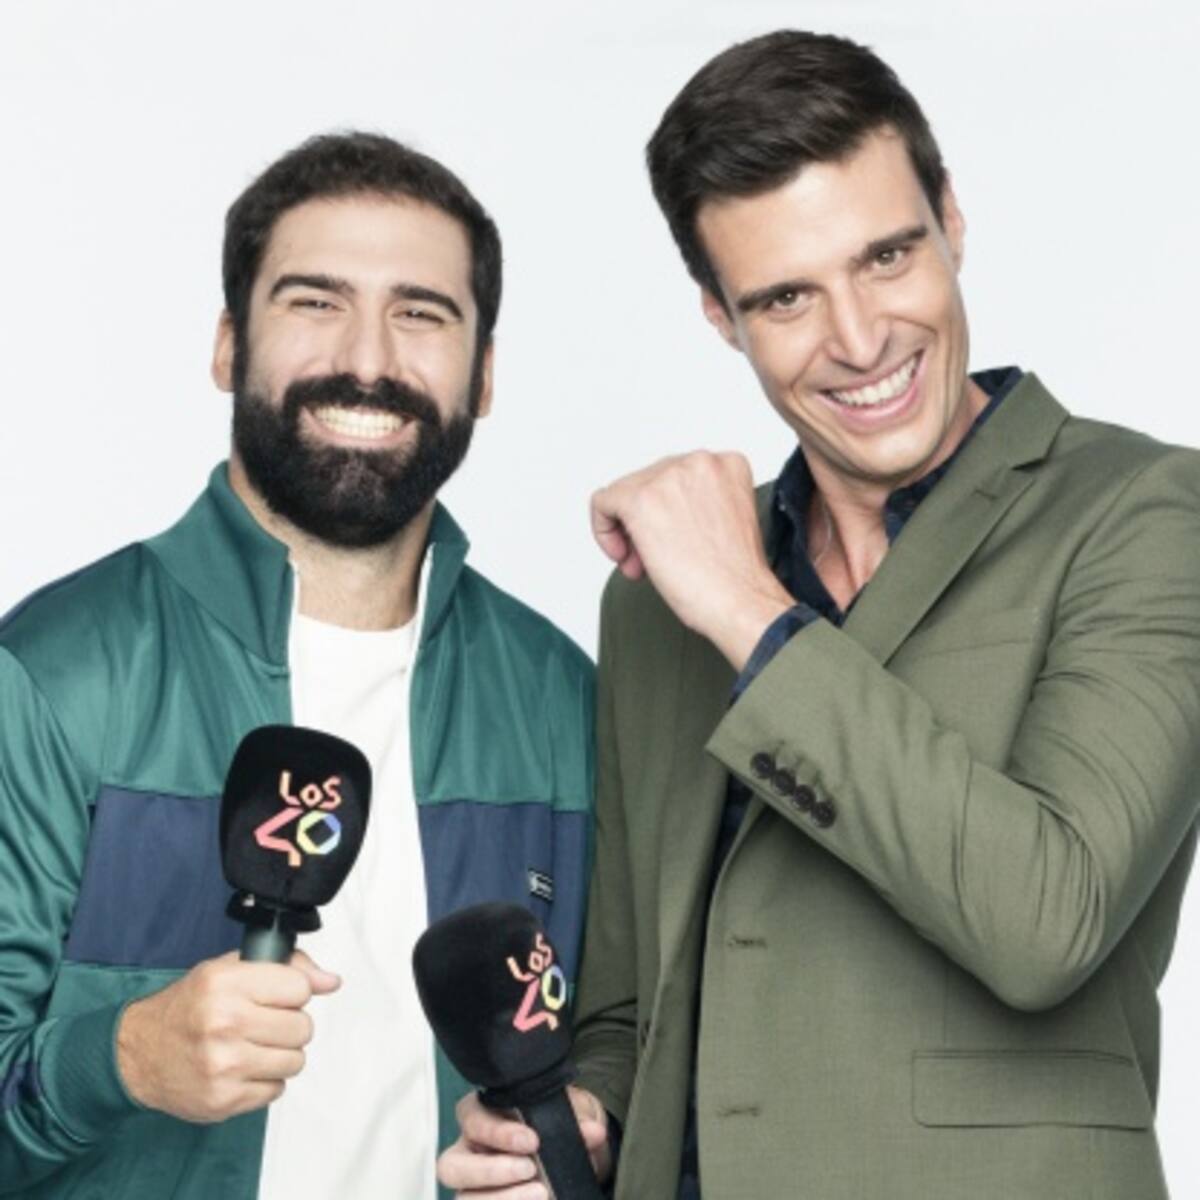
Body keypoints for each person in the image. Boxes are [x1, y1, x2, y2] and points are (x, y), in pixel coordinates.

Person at [439, 30, 1200, 1199]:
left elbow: (1050, 920)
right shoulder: (660, 600)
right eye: (787, 296)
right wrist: (588, 1113)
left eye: (887, 256)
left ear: (952, 218)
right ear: (718, 313)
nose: (859, 339)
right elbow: (635, 1004)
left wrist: (751, 614)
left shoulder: (1146, 513)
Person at [0, 131, 594, 1200]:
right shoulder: (52, 676)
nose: (368, 358)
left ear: (485, 375)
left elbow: (631, 1053)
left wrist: (585, 1141)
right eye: (315, 302)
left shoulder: (560, 699)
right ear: (229, 346)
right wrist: (122, 1059)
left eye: (422, 313)